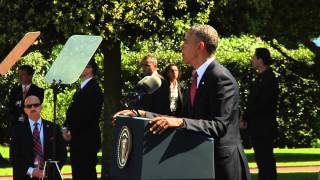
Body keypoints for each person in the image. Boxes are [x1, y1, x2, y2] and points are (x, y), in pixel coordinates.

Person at [113, 25, 251, 180]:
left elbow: (219, 126)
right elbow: (183, 118)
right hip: (200, 163)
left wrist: (178, 122)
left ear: (200, 46)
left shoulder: (220, 77)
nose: (182, 46)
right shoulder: (198, 77)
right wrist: (141, 114)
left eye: (186, 41)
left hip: (222, 168)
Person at [240, 48, 279, 180]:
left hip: (264, 128)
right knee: (262, 161)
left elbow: (262, 104)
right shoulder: (262, 78)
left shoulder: (269, 79)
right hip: (258, 128)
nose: (252, 60)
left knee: (265, 161)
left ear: (260, 60)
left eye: (254, 57)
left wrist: (245, 117)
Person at [62, 60, 103, 180]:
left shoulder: (93, 89)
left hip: (86, 140)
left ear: (90, 69)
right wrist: (65, 127)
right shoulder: (82, 88)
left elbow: (88, 116)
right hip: (78, 139)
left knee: (86, 173)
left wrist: (71, 131)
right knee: (78, 173)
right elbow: (72, 112)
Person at [10, 95, 67, 180]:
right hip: (26, 176)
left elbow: (62, 154)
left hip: (50, 177)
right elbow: (14, 157)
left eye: (36, 105)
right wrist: (32, 171)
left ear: (41, 107)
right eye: (29, 106)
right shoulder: (17, 130)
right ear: (25, 110)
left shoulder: (54, 128)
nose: (33, 108)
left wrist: (50, 171)